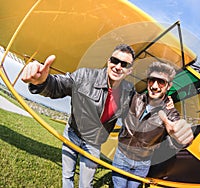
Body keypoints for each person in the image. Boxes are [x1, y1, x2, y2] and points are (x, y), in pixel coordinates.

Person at [21, 44, 136, 188]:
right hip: (72, 134)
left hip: (94, 144)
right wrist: (43, 82)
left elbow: (136, 114)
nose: (118, 66)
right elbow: (59, 85)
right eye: (114, 60)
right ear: (108, 61)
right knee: (67, 177)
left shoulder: (129, 91)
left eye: (124, 64)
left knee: (86, 184)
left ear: (129, 70)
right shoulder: (85, 76)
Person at [112, 61, 194, 188]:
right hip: (121, 156)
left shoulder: (170, 113)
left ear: (168, 86)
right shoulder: (134, 98)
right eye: (152, 80)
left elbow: (179, 135)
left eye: (161, 82)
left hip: (142, 164)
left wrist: (181, 137)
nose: (155, 86)